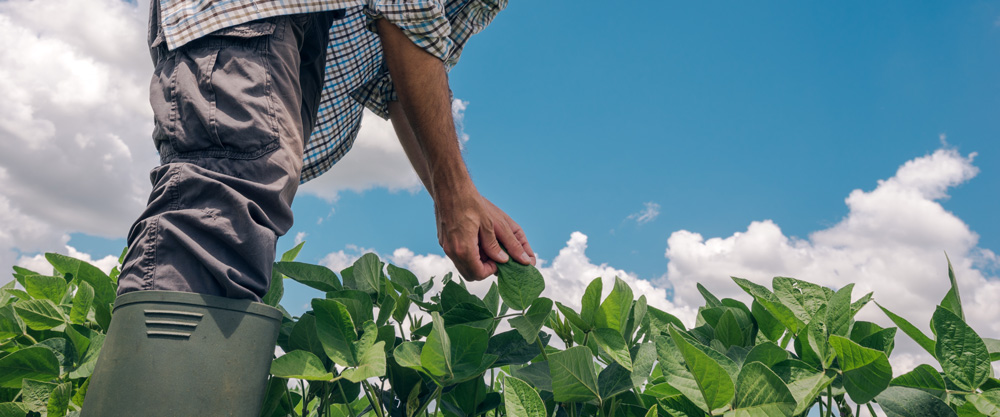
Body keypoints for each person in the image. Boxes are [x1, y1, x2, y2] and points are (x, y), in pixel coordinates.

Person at [82, 1, 534, 415]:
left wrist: (455, 197)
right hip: (250, 13)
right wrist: (456, 195)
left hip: (294, 23)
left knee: (236, 240)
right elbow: (405, 12)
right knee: (221, 215)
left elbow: (396, 76)